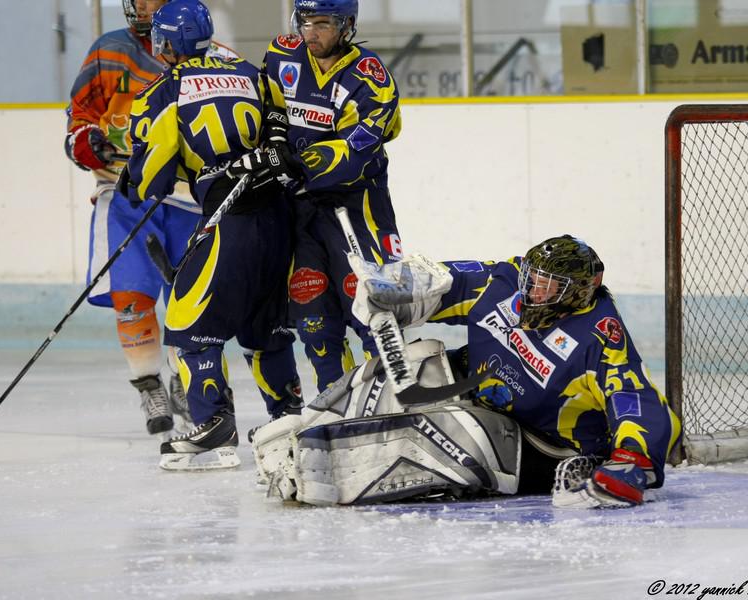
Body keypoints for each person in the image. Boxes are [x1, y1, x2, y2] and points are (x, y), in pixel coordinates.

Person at [255, 236, 681, 507]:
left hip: (540, 445)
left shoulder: (598, 337)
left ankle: (325, 474)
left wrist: (632, 460)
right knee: (417, 358)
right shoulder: (509, 280)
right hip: (481, 389)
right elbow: (450, 283)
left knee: (448, 432)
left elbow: (638, 401)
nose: (534, 291)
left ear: (581, 291)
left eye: (549, 286)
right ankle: (307, 425)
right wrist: (394, 288)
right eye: (534, 278)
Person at [121, 0, 301, 470]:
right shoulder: (248, 70)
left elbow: (149, 176)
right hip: (277, 214)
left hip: (230, 218)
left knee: (186, 323)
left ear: (167, 43)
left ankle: (214, 425)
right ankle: (289, 420)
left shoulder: (165, 88)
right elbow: (280, 127)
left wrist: (134, 178)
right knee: (266, 329)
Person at [64, 0, 237, 436]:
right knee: (131, 295)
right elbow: (78, 119)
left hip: (190, 196)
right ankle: (148, 385)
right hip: (124, 192)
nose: (143, 6)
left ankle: (187, 378)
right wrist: (86, 141)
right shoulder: (108, 51)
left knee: (189, 298)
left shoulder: (215, 56)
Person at [232, 0, 403, 393]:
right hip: (296, 209)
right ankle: (335, 404)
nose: (310, 33)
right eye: (304, 22)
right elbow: (266, 107)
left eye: (322, 24)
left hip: (356, 207)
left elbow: (358, 150)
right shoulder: (282, 53)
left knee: (373, 310)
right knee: (313, 319)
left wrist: (298, 163)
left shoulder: (371, 79)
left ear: (346, 26)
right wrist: (271, 144)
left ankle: (395, 399)